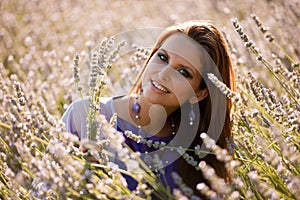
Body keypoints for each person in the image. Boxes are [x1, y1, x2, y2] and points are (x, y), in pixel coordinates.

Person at [62, 20, 235, 197]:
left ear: (198, 93)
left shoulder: (197, 156)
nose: (163, 74)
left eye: (183, 72)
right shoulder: (85, 115)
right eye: (162, 57)